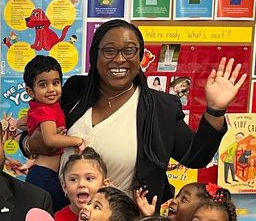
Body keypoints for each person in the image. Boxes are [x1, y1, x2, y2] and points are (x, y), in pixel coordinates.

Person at [22, 19, 244, 207]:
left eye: (129, 51)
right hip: (63, 217)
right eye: (109, 50)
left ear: (140, 57)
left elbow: (195, 156)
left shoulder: (161, 107)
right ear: (95, 55)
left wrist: (215, 110)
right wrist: (30, 144)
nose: (119, 59)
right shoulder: (74, 90)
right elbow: (34, 132)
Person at [22, 55, 85, 211]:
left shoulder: (42, 108)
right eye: (43, 85)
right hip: (45, 176)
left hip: (41, 174)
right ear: (30, 91)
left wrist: (33, 128)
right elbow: (50, 140)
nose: (51, 89)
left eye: (55, 83)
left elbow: (20, 123)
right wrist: (77, 140)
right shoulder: (46, 111)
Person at [56, 148, 109, 221]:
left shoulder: (112, 219)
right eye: (73, 179)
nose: (81, 184)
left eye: (89, 178)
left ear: (104, 185)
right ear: (64, 187)